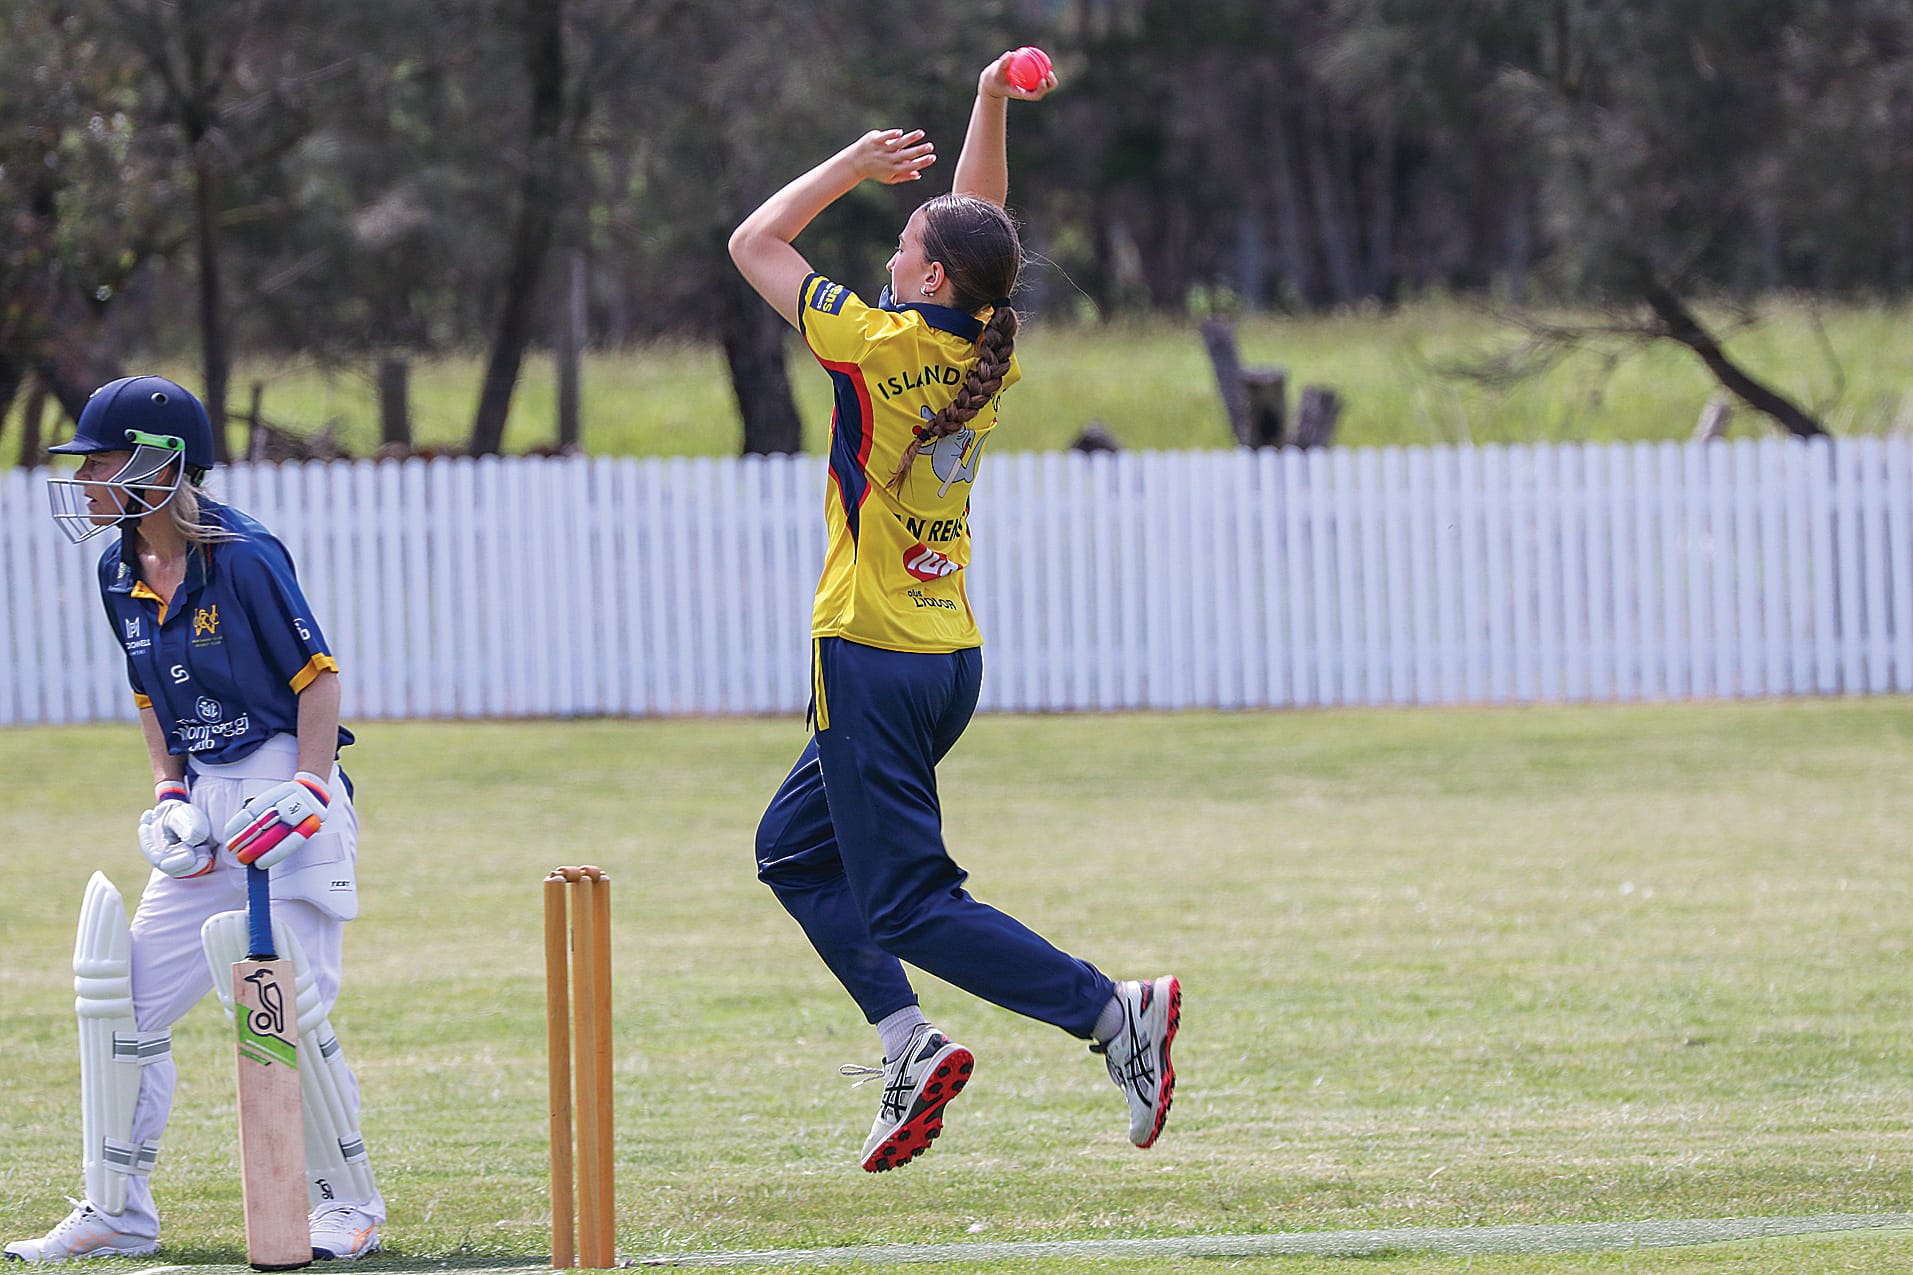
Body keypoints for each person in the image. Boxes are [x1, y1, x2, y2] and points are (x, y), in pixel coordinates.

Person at [729, 52, 1181, 1173]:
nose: (888, 254)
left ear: (927, 281)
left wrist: (850, 163)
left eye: (901, 248)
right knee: (791, 853)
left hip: (871, 656)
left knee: (910, 906)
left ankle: (1109, 1012)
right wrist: (986, 103)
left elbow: (752, 243)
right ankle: (908, 1041)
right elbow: (979, 233)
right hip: (944, 663)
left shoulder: (875, 345)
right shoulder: (987, 341)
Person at [7, 376, 384, 1262]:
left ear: (159, 462)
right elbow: (149, 692)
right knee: (123, 1011)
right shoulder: (116, 568)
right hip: (206, 798)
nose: (87, 479)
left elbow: (318, 679)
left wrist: (311, 787)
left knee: (281, 1005)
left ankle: (347, 1206)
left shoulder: (245, 556)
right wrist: (168, 790)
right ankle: (117, 1210)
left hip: (285, 787)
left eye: (100, 460)